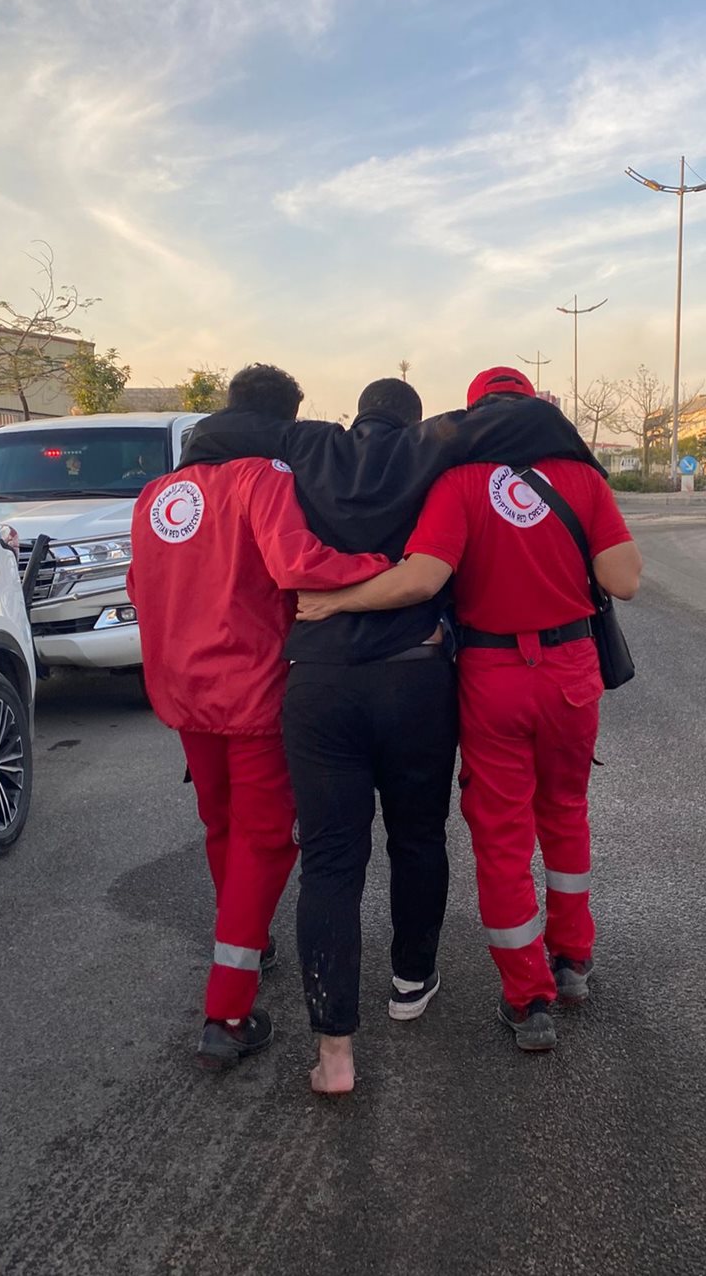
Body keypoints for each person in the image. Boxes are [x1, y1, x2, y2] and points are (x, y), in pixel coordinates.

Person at [181, 370, 605, 1091]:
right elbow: (506, 427)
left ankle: (334, 1053)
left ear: (355, 416)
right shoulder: (430, 449)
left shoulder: (304, 447)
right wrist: (566, 441)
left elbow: (235, 431)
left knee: (330, 861)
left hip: (320, 682)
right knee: (418, 838)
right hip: (415, 678)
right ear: (410, 418)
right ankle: (411, 981)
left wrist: (198, 445)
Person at [297, 366, 643, 1056]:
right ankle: (574, 961)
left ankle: (528, 998)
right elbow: (623, 580)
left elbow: (423, 578)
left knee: (502, 833)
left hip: (493, 676)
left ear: (476, 416)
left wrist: (336, 602)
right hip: (571, 673)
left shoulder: (458, 482)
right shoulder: (582, 477)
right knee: (565, 811)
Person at [126, 364, 391, 1072]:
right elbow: (297, 563)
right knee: (266, 839)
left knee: (221, 825)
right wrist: (381, 564)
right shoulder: (262, 478)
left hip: (182, 691)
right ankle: (228, 1011)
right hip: (251, 689)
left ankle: (248, 941)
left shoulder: (157, 494)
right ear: (285, 418)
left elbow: (138, 587)